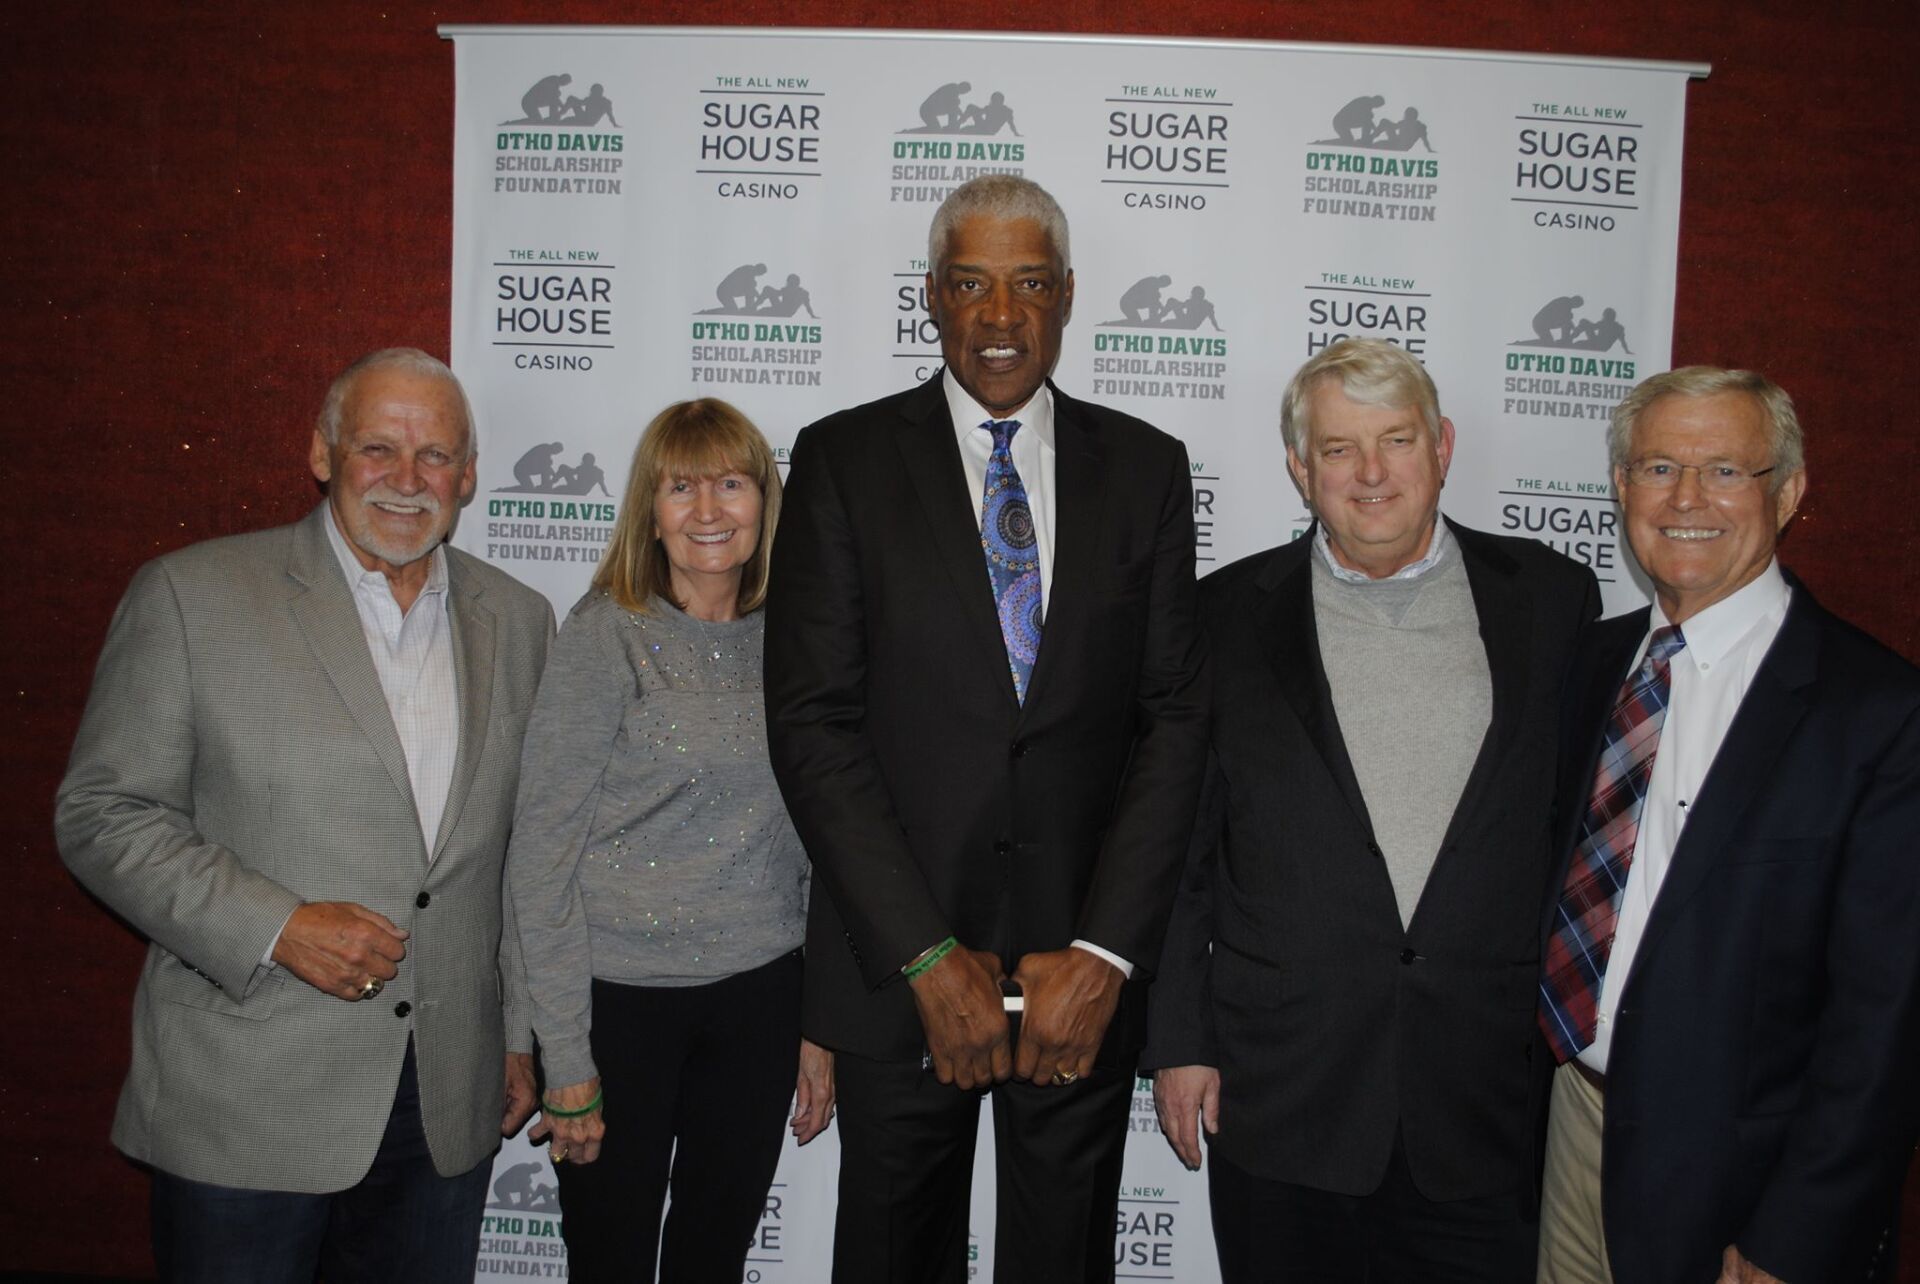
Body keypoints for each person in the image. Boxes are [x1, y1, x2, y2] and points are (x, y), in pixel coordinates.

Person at [765, 174, 1209, 1284]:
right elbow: (813, 725)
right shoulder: (843, 461)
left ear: (1065, 298)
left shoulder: (1146, 468)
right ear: (931, 298)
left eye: (1027, 285)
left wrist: (1104, 956)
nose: (1000, 316)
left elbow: (1173, 724)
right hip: (901, 972)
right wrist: (926, 956)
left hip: (1079, 981)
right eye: (971, 283)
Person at [55, 347, 555, 1283]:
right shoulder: (193, 597)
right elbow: (103, 811)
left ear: (471, 476)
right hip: (250, 1096)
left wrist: (517, 1036)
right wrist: (276, 926)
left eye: (437, 457)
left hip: (447, 1102)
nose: (408, 482)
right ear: (322, 455)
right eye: (378, 448)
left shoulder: (520, 620)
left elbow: (522, 855)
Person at [1144, 338, 1599, 1284]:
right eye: (1340, 449)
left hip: (1484, 1094)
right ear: (1299, 469)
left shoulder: (1553, 598)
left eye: (1396, 440)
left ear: (1443, 447)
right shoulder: (1221, 617)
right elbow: (1181, 853)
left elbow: (1570, 829)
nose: (1371, 473)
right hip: (1284, 1088)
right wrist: (1178, 1042)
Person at [1536, 367, 1920, 1284]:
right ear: (1622, 487)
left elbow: (1888, 1021)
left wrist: (1798, 1235)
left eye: (1726, 471)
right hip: (1568, 1130)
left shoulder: (1878, 713)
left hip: (1741, 1191)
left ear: (1788, 492)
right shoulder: (1586, 663)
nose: (1686, 499)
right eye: (1659, 466)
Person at [507, 398, 834, 1283]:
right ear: (648, 510)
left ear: (765, 502)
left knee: (712, 1258)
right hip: (620, 1007)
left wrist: (818, 1023)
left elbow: (816, 842)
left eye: (731, 484)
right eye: (680, 486)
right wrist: (565, 1058)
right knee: (610, 1260)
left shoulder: (798, 640)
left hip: (761, 999)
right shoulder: (606, 634)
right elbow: (539, 858)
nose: (708, 510)